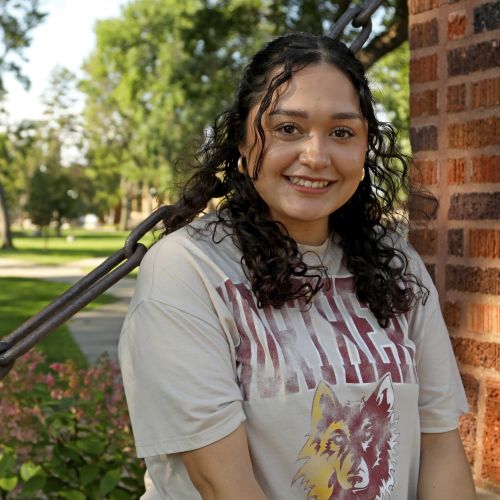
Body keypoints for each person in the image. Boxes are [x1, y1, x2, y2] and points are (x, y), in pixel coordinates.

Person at [118, 33, 476, 499]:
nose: (316, 155)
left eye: (342, 132)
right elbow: (224, 486)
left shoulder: (396, 261)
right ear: (242, 142)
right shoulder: (189, 268)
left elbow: (440, 445)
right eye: (288, 128)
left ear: (365, 150)